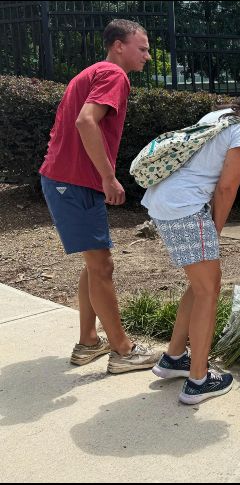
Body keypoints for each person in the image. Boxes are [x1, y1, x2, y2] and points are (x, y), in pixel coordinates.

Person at [142, 67, 240, 404]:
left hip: (168, 200)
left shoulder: (222, 115)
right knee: (209, 289)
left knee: (200, 285)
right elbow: (226, 187)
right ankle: (198, 381)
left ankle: (174, 358)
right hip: (186, 206)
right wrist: (215, 230)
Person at [38, 19, 161, 373]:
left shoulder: (94, 72)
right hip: (74, 181)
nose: (148, 56)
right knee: (102, 266)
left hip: (69, 180)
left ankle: (89, 342)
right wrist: (109, 177)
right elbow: (85, 121)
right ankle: (123, 351)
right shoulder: (113, 74)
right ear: (119, 46)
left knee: (95, 265)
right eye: (143, 48)